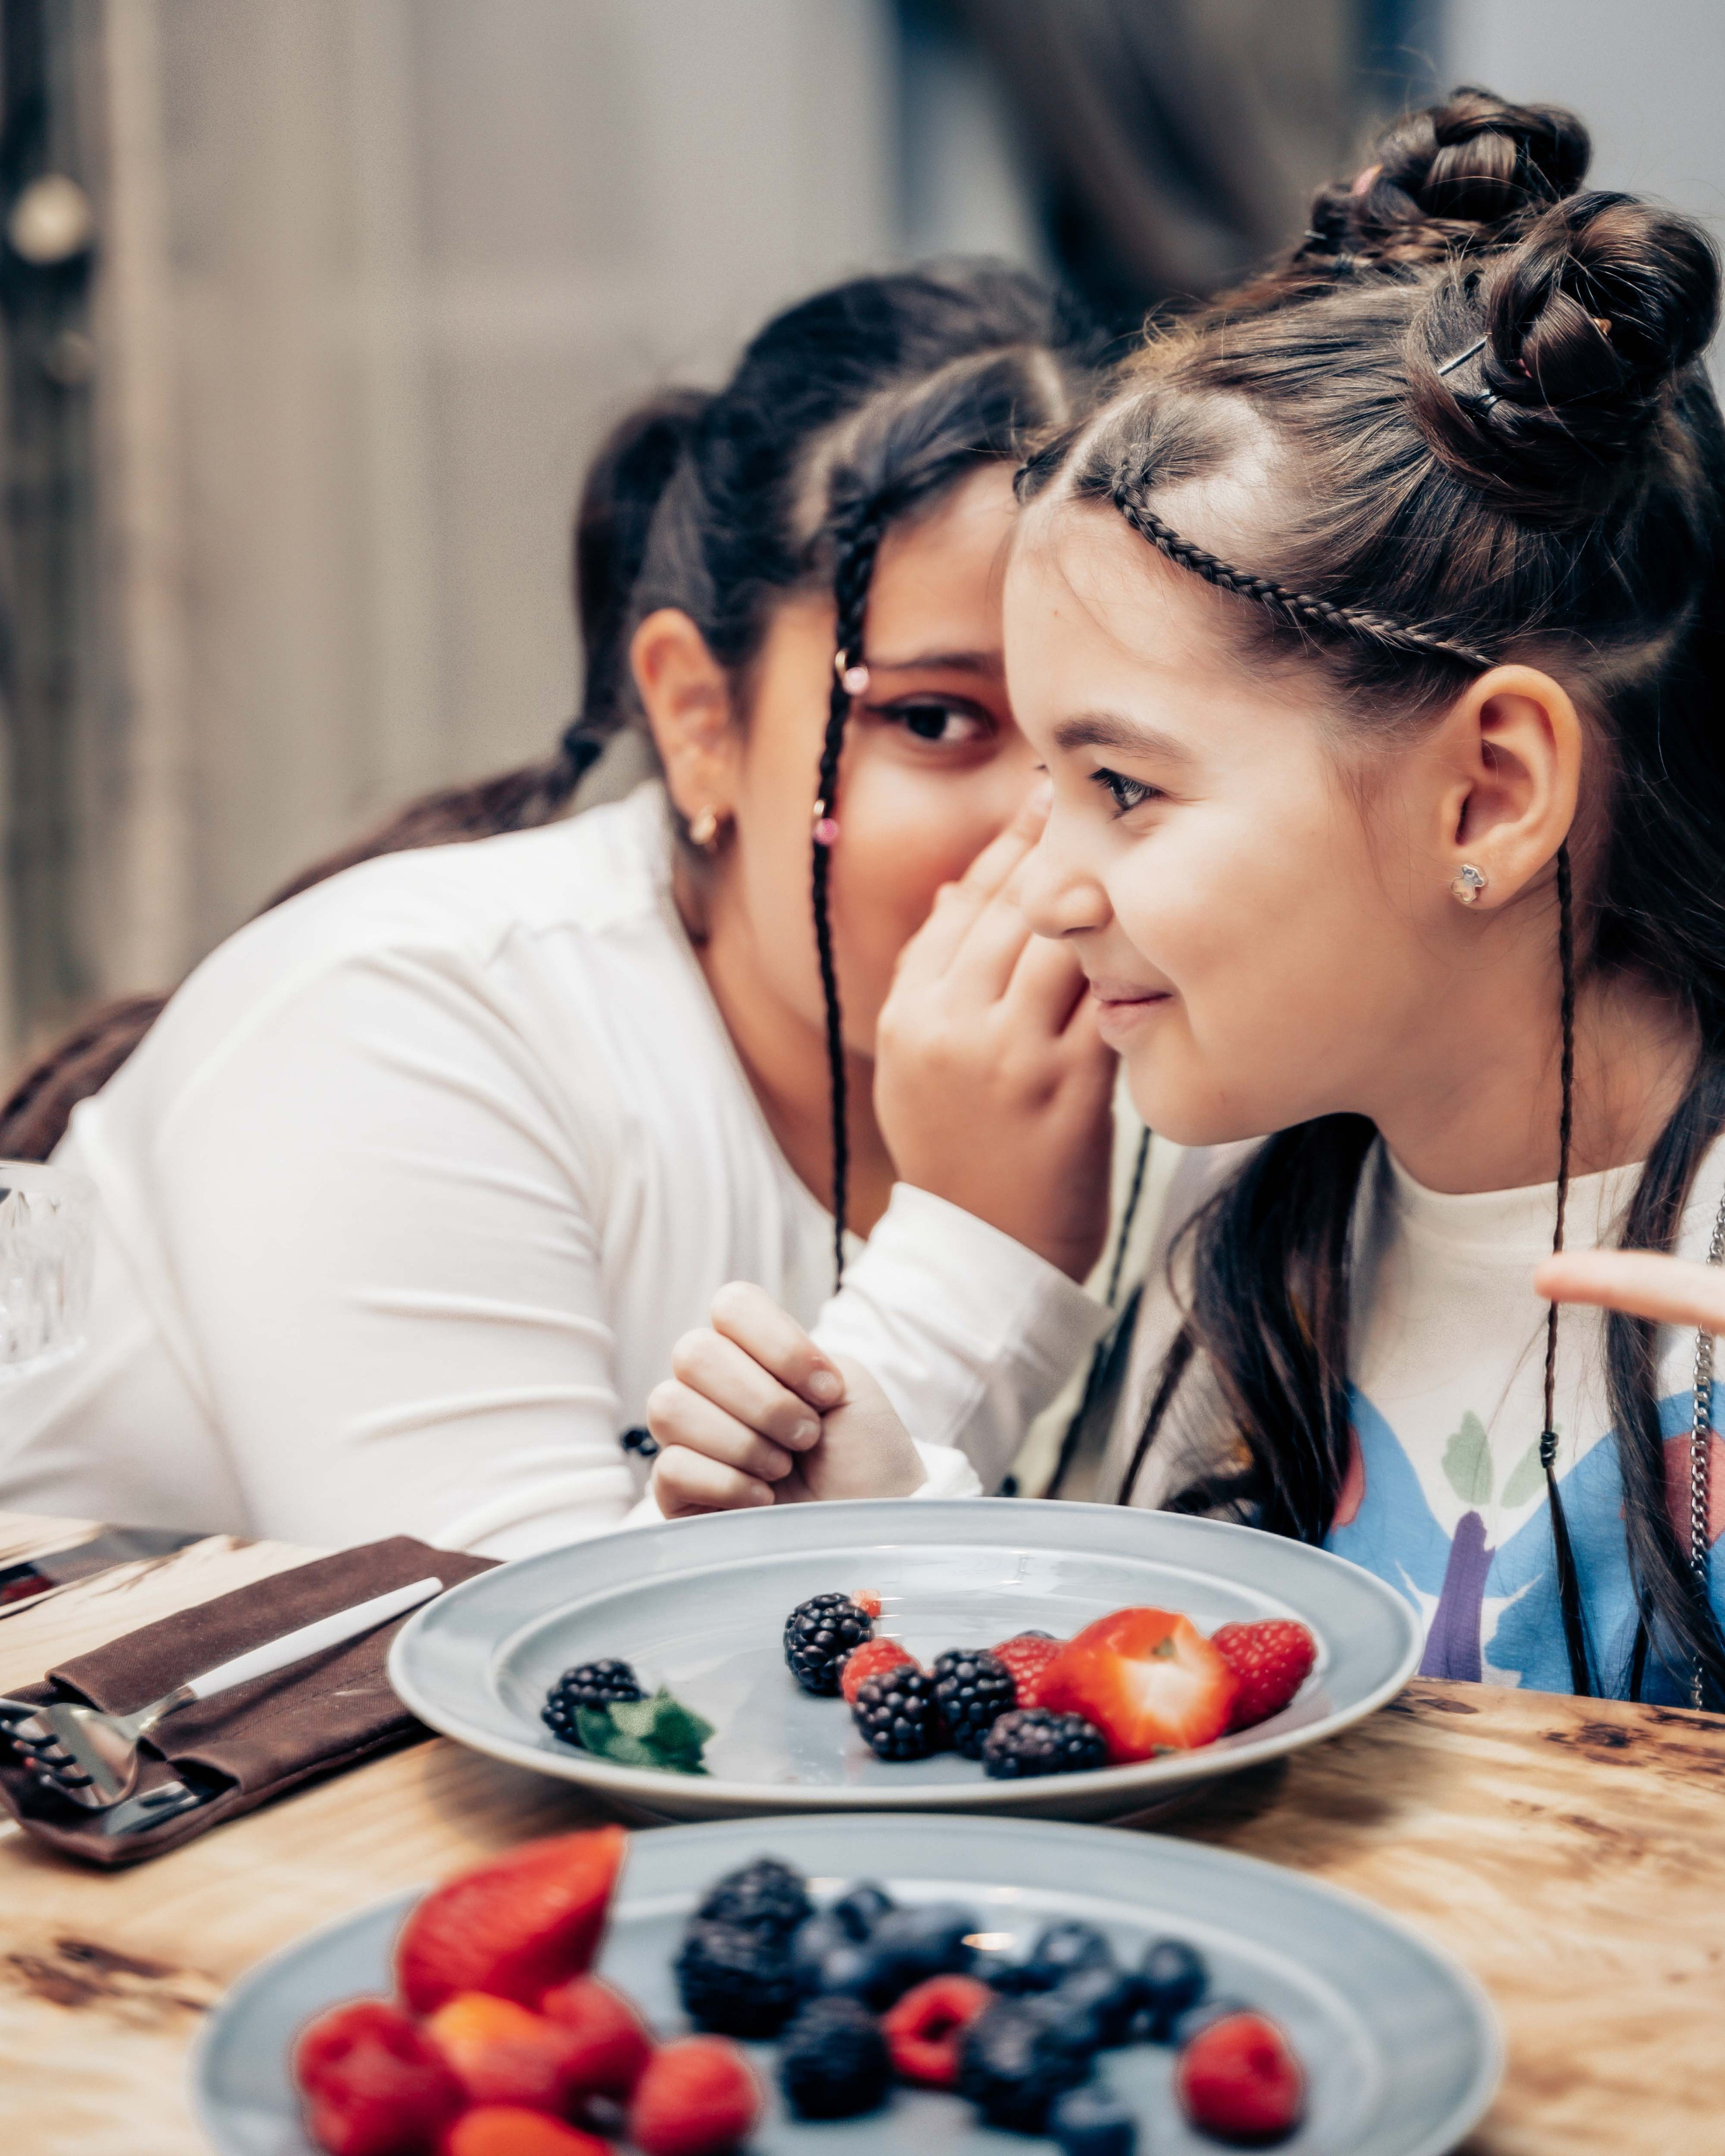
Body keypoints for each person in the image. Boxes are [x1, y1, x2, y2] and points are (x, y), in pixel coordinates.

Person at [645, 92, 1725, 1709]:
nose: (1035, 885)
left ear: (1489, 790)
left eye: (1122, 786)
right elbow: (1188, 1790)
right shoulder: (1247, 1244)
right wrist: (879, 1516)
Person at [0, 264, 1121, 1556]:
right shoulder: (401, 1026)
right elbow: (548, 1710)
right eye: (933, 720)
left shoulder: (1165, 1065)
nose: (1046, 841)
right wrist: (979, 1249)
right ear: (700, 720)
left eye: (1106, 753)